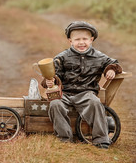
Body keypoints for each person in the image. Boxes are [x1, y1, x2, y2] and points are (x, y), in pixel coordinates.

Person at [41, 21, 122, 149]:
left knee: (95, 103)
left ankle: (101, 139)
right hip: (65, 93)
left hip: (86, 93)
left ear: (91, 40)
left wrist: (111, 69)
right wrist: (49, 81)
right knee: (55, 104)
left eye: (85, 39)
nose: (81, 42)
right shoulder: (62, 57)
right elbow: (52, 74)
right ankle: (65, 138)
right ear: (70, 41)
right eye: (77, 39)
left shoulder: (99, 56)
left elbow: (113, 63)